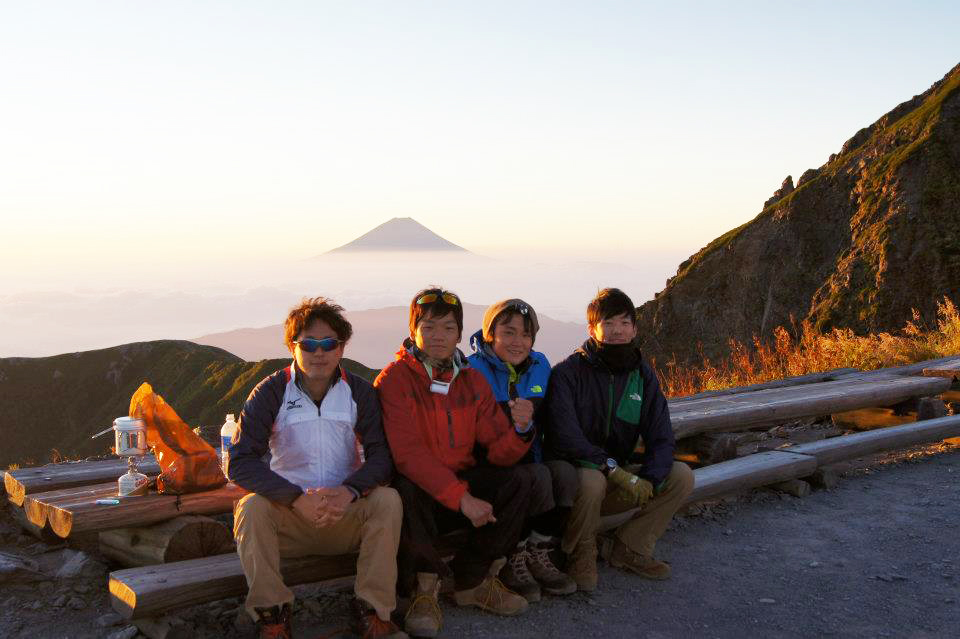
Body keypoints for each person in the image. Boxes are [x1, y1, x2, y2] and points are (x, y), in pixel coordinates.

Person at [228, 298, 406, 639]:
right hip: (290, 519)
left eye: (329, 344)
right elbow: (240, 461)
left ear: (341, 348)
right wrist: (294, 498)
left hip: (346, 515)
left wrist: (350, 491)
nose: (319, 352)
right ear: (292, 347)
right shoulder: (271, 392)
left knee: (388, 500)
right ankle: (272, 616)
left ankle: (374, 612)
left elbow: (382, 457)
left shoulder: (359, 393)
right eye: (309, 344)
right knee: (251, 508)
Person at [375, 287, 537, 638]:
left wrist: (522, 430)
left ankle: (474, 580)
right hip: (421, 491)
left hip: (457, 485)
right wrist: (462, 498)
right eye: (429, 327)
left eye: (448, 328)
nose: (438, 337)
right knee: (404, 488)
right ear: (413, 329)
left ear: (460, 334)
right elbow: (407, 455)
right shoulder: (395, 379)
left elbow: (497, 448)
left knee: (519, 479)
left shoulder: (471, 380)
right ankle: (424, 589)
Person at [546, 287, 694, 592]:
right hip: (574, 481)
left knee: (680, 475)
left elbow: (661, 435)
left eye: (624, 323)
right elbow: (565, 436)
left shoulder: (642, 375)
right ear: (592, 329)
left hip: (619, 476)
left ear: (635, 329)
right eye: (608, 323)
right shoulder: (568, 373)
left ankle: (630, 547)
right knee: (592, 481)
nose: (617, 331)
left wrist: (650, 479)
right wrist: (613, 470)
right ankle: (580, 553)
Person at [466, 299, 578, 600]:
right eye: (509, 332)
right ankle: (511, 554)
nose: (518, 342)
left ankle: (537, 550)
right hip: (489, 466)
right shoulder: (472, 371)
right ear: (491, 334)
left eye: (526, 335)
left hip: (532, 456)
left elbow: (552, 417)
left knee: (564, 474)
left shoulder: (540, 366)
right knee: (537, 477)